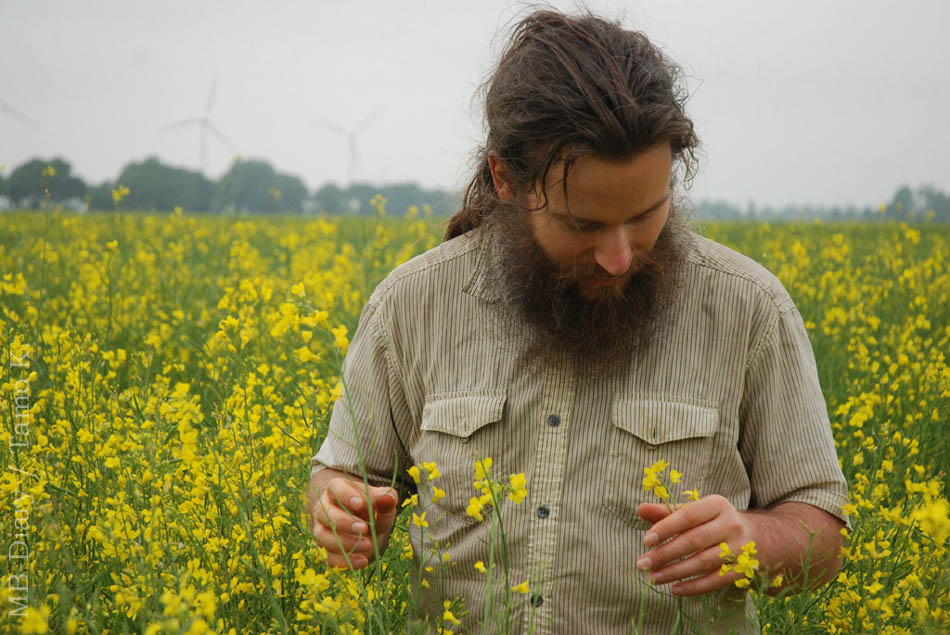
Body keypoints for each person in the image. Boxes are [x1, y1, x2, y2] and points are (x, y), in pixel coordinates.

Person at [306, 9, 849, 634]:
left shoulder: (747, 308)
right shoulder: (413, 303)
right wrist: (338, 510)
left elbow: (820, 532)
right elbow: (343, 475)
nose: (619, 258)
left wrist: (752, 538)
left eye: (647, 214)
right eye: (583, 225)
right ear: (504, 179)